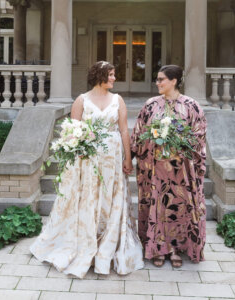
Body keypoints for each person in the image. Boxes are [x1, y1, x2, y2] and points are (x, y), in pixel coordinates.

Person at [30, 61, 144, 278]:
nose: (114, 78)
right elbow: (73, 131)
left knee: (111, 198)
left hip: (112, 156)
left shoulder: (118, 100)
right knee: (88, 196)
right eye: (110, 75)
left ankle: (108, 241)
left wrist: (128, 158)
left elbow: (123, 131)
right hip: (87, 158)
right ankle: (85, 241)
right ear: (100, 76)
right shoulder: (81, 100)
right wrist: (77, 148)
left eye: (113, 74)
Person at [131, 65, 206, 268]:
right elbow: (138, 132)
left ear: (174, 81)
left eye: (161, 79)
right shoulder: (150, 105)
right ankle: (156, 248)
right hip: (154, 170)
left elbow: (199, 135)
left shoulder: (192, 105)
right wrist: (131, 155)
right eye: (157, 79)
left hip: (179, 171)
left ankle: (173, 248)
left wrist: (179, 142)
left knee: (177, 208)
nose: (157, 83)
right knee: (157, 206)